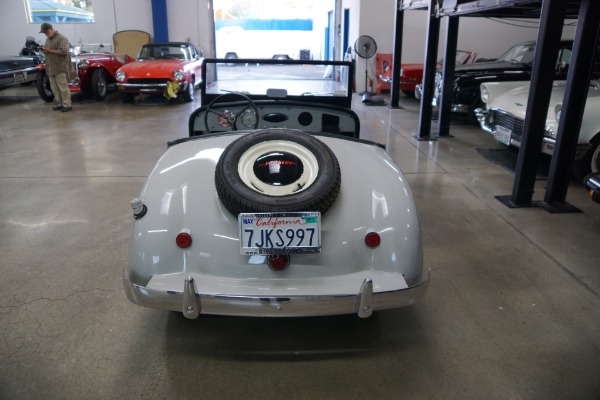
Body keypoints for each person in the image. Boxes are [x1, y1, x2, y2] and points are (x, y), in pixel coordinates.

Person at [39, 23, 72, 112]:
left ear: (51, 29)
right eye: (44, 32)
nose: (45, 34)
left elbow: (64, 52)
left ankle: (67, 104)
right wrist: (44, 51)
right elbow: (47, 50)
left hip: (60, 67)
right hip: (50, 68)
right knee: (55, 89)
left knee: (63, 88)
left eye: (46, 31)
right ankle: (60, 103)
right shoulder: (47, 40)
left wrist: (49, 51)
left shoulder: (62, 38)